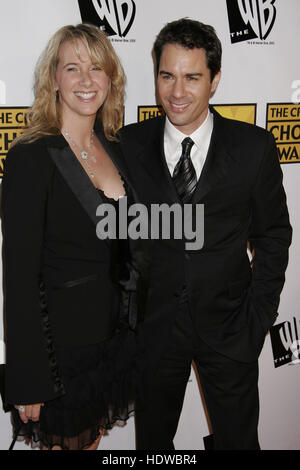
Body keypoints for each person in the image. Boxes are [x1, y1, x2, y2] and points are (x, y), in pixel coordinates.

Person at [119, 18, 292, 450]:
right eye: (167, 76)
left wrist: (256, 322)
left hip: (232, 329)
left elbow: (274, 237)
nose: (177, 92)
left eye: (192, 77)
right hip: (154, 335)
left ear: (214, 80)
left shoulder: (254, 147)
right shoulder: (127, 144)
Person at [2, 23, 142, 450]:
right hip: (60, 354)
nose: (86, 80)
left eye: (97, 68)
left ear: (110, 79)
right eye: (73, 68)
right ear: (54, 79)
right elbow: (21, 276)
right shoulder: (31, 156)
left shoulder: (115, 147)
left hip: (112, 341)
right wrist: (28, 378)